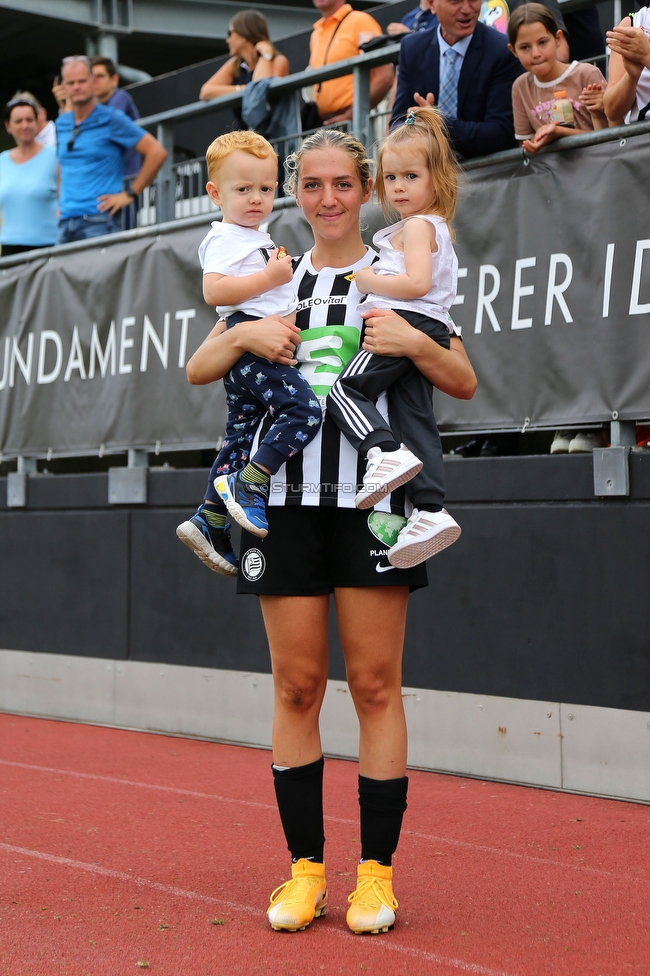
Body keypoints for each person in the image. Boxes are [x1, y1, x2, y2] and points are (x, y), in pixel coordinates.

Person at [184, 128, 476, 935]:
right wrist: (244, 333)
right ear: (295, 194)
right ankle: (306, 870)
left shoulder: (400, 272)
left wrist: (415, 342)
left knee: (377, 686)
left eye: (343, 183)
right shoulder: (272, 272)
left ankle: (376, 876)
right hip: (281, 507)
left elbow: (463, 379)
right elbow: (198, 368)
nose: (327, 199)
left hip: (374, 509)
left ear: (366, 187)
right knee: (296, 687)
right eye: (310, 185)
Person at [176, 131, 321, 572]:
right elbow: (214, 291)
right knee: (304, 412)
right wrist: (273, 278)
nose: (257, 198)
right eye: (243, 189)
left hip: (250, 348)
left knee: (241, 437)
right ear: (215, 194)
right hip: (250, 347)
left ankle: (210, 517)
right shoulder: (225, 238)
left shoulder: (251, 235)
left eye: (265, 188)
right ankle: (251, 486)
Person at [327, 108, 461, 569]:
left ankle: (381, 453)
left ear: (435, 178)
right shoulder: (418, 227)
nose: (399, 186)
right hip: (422, 327)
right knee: (413, 417)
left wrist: (366, 280)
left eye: (411, 175)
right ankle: (430, 510)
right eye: (391, 177)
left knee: (344, 391)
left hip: (404, 323)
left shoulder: (421, 226)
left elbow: (417, 285)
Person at [390, 0, 524, 158]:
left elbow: (501, 133)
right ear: (432, 5)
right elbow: (398, 125)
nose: (467, 9)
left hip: (487, 174)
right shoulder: (412, 48)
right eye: (456, 1)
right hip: (429, 174)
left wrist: (438, 123)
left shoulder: (502, 51)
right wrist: (416, 119)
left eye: (473, 0)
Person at [55, 55, 167, 244]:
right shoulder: (61, 123)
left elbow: (157, 152)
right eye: (71, 82)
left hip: (99, 220)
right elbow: (61, 165)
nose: (76, 87)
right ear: (63, 87)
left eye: (82, 81)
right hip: (65, 222)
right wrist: (60, 203)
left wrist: (129, 194)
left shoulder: (112, 118)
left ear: (92, 82)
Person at [507, 3, 608, 154]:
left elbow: (610, 136)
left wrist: (559, 132)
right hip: (551, 173)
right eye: (525, 47)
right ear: (513, 50)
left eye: (542, 42)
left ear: (558, 38)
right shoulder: (520, 87)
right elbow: (525, 145)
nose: (535, 53)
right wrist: (540, 139)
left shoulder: (587, 74)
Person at [308, 0, 394, 125]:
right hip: (325, 125)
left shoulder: (360, 21)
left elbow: (385, 77)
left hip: (353, 124)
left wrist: (352, 114)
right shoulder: (315, 34)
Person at [0, 96, 57, 256]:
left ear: (37, 122)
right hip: (9, 247)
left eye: (29, 120)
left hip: (47, 247)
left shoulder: (54, 156)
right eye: (18, 121)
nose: (24, 125)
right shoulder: (2, 161)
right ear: (8, 126)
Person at [199, 10, 290, 103]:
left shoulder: (278, 61)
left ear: (244, 34)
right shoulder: (236, 64)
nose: (228, 40)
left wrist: (265, 53)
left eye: (230, 33)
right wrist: (244, 89)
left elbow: (259, 91)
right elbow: (205, 92)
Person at [90, 56, 142, 179]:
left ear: (114, 80)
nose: (95, 81)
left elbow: (105, 126)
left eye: (100, 76)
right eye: (91, 77)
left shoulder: (121, 97)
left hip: (124, 183)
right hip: (102, 183)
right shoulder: (91, 108)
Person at [603, 8, 650, 125]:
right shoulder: (633, 23)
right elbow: (611, 110)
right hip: (639, 136)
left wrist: (647, 56)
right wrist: (631, 77)